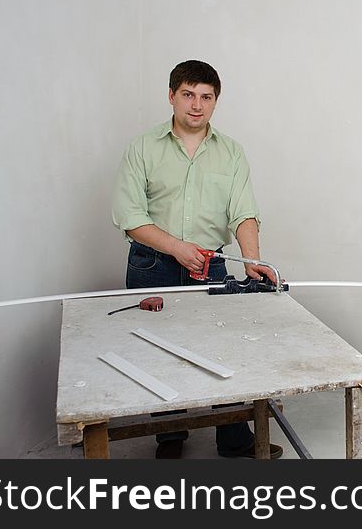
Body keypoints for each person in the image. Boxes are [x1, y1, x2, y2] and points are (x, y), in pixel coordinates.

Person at [111, 59, 282, 460]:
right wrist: (176, 248)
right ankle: (170, 435)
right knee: (158, 349)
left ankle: (234, 440)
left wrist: (252, 259)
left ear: (215, 101)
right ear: (171, 96)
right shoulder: (142, 147)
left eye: (206, 97)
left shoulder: (232, 153)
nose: (196, 105)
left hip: (213, 264)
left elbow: (243, 212)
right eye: (188, 94)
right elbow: (129, 216)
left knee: (222, 347)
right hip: (152, 265)